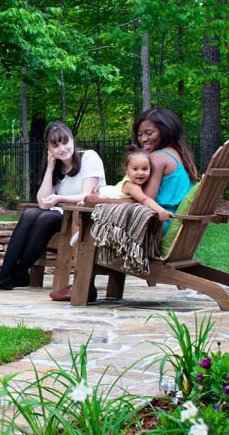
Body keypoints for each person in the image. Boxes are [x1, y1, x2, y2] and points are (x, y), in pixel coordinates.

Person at [50, 107, 198, 302]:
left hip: (153, 227)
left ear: (166, 130)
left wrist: (97, 200)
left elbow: (142, 202)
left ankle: (82, 285)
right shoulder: (179, 155)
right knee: (93, 218)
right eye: (140, 134)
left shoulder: (157, 158)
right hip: (168, 224)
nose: (144, 139)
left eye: (149, 133)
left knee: (85, 219)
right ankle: (87, 283)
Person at [0, 121, 106, 291]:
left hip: (85, 215)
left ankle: (17, 274)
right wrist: (50, 167)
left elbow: (87, 196)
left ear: (72, 140)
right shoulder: (56, 165)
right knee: (30, 213)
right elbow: (43, 202)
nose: (62, 148)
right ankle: (7, 274)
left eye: (65, 142)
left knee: (45, 217)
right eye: (55, 145)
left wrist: (59, 197)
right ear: (49, 149)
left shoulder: (89, 157)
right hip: (62, 214)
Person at [91, 145, 173, 222]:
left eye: (144, 169)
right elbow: (144, 199)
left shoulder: (130, 180)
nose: (140, 173)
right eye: (135, 169)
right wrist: (161, 211)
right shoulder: (132, 186)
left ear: (150, 169)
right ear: (126, 170)